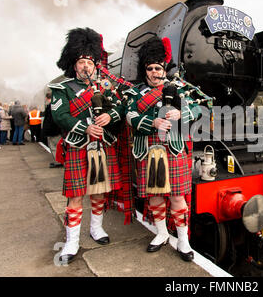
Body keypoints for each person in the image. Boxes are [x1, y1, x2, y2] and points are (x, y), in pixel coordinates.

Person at [96, 36, 202, 262]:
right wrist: (151, 123)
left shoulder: (180, 89)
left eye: (158, 68)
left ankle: (183, 240)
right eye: (150, 68)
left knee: (176, 197)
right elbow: (130, 116)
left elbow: (198, 110)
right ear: (146, 70)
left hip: (173, 149)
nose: (155, 72)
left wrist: (181, 114)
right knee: (154, 196)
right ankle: (162, 233)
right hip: (149, 150)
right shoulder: (135, 94)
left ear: (164, 69)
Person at [49, 27, 122, 264]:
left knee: (99, 191)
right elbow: (60, 116)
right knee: (76, 195)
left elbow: (120, 109)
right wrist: (86, 127)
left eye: (89, 62)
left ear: (95, 65)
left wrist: (110, 117)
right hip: (79, 146)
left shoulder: (106, 87)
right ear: (74, 63)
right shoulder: (63, 88)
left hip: (102, 145)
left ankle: (96, 229)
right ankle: (71, 242)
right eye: (81, 62)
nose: (85, 67)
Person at [42, 92, 62, 168]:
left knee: (54, 146)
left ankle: (58, 162)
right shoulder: (55, 105)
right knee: (57, 145)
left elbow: (49, 120)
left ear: (47, 98)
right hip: (56, 129)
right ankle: (59, 160)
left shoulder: (51, 106)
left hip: (52, 130)